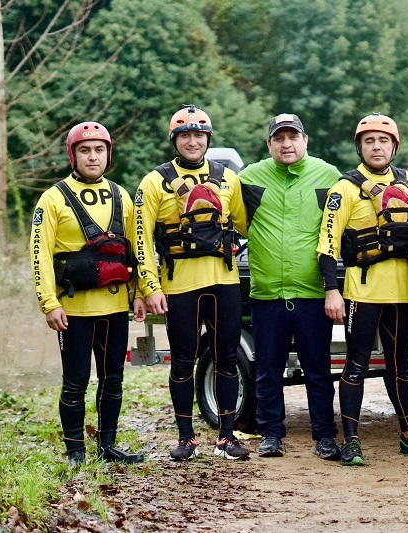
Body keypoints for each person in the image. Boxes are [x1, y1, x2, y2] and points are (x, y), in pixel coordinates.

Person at [317, 112, 408, 466]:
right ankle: (352, 441)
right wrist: (333, 290)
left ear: (394, 147)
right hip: (362, 295)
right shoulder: (344, 188)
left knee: (400, 366)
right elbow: (327, 244)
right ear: (360, 147)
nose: (377, 147)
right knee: (356, 365)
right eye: (369, 141)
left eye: (383, 141)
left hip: (402, 295)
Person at [134, 105, 250, 461]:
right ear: (175, 139)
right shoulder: (154, 182)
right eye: (185, 135)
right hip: (179, 286)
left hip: (224, 283)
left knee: (227, 359)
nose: (192, 140)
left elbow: (245, 227)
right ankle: (187, 438)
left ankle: (227, 437)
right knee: (183, 362)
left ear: (208, 139)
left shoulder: (229, 178)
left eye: (199, 135)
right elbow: (140, 239)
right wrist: (149, 287)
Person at [30, 121, 146, 467]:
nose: (92, 157)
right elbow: (39, 254)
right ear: (73, 155)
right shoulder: (52, 198)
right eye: (85, 150)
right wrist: (48, 302)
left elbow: (134, 249)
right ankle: (76, 452)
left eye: (99, 150)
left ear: (108, 154)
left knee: (113, 379)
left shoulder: (120, 194)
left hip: (114, 306)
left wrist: (139, 293)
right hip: (74, 310)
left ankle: (107, 447)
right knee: (75, 382)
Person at [238, 113, 341, 460]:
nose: (286, 144)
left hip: (312, 292)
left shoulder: (328, 175)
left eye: (293, 137)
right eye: (279, 139)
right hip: (267, 293)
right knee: (268, 368)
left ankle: (325, 435)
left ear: (305, 140)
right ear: (269, 144)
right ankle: (271, 434)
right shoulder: (249, 178)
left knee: (318, 369)